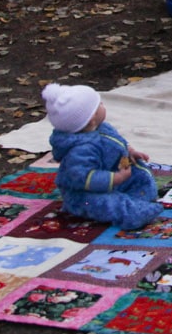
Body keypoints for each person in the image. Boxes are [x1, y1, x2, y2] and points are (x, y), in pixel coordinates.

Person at [43, 83, 163, 230]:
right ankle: (132, 214)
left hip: (112, 173)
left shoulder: (102, 127)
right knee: (106, 203)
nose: (103, 105)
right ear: (91, 118)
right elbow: (83, 177)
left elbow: (117, 140)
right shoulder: (82, 149)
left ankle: (141, 196)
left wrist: (130, 151)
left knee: (140, 174)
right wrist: (116, 179)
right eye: (99, 104)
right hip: (84, 193)